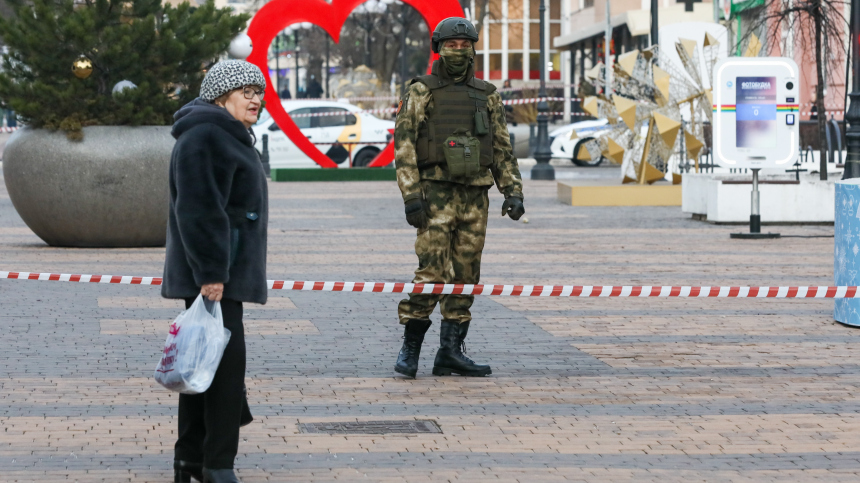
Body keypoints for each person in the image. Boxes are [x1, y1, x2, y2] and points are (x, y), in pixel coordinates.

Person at [393, 17, 525, 379]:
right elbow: (403, 146)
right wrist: (411, 196)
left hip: (474, 197)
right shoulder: (421, 91)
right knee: (431, 272)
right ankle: (411, 348)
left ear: (472, 49)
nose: (458, 51)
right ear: (439, 48)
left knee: (466, 274)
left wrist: (512, 191)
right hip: (434, 194)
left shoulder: (487, 95)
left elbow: (501, 148)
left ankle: (451, 351)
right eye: (451, 45)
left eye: (464, 45)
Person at [162, 59, 269, 483]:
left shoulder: (225, 134)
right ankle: (217, 465)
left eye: (258, 92)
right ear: (221, 96)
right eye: (246, 91)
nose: (256, 99)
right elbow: (200, 210)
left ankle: (190, 458)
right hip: (214, 276)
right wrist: (211, 273)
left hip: (222, 274)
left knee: (200, 365)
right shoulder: (207, 135)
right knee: (224, 374)